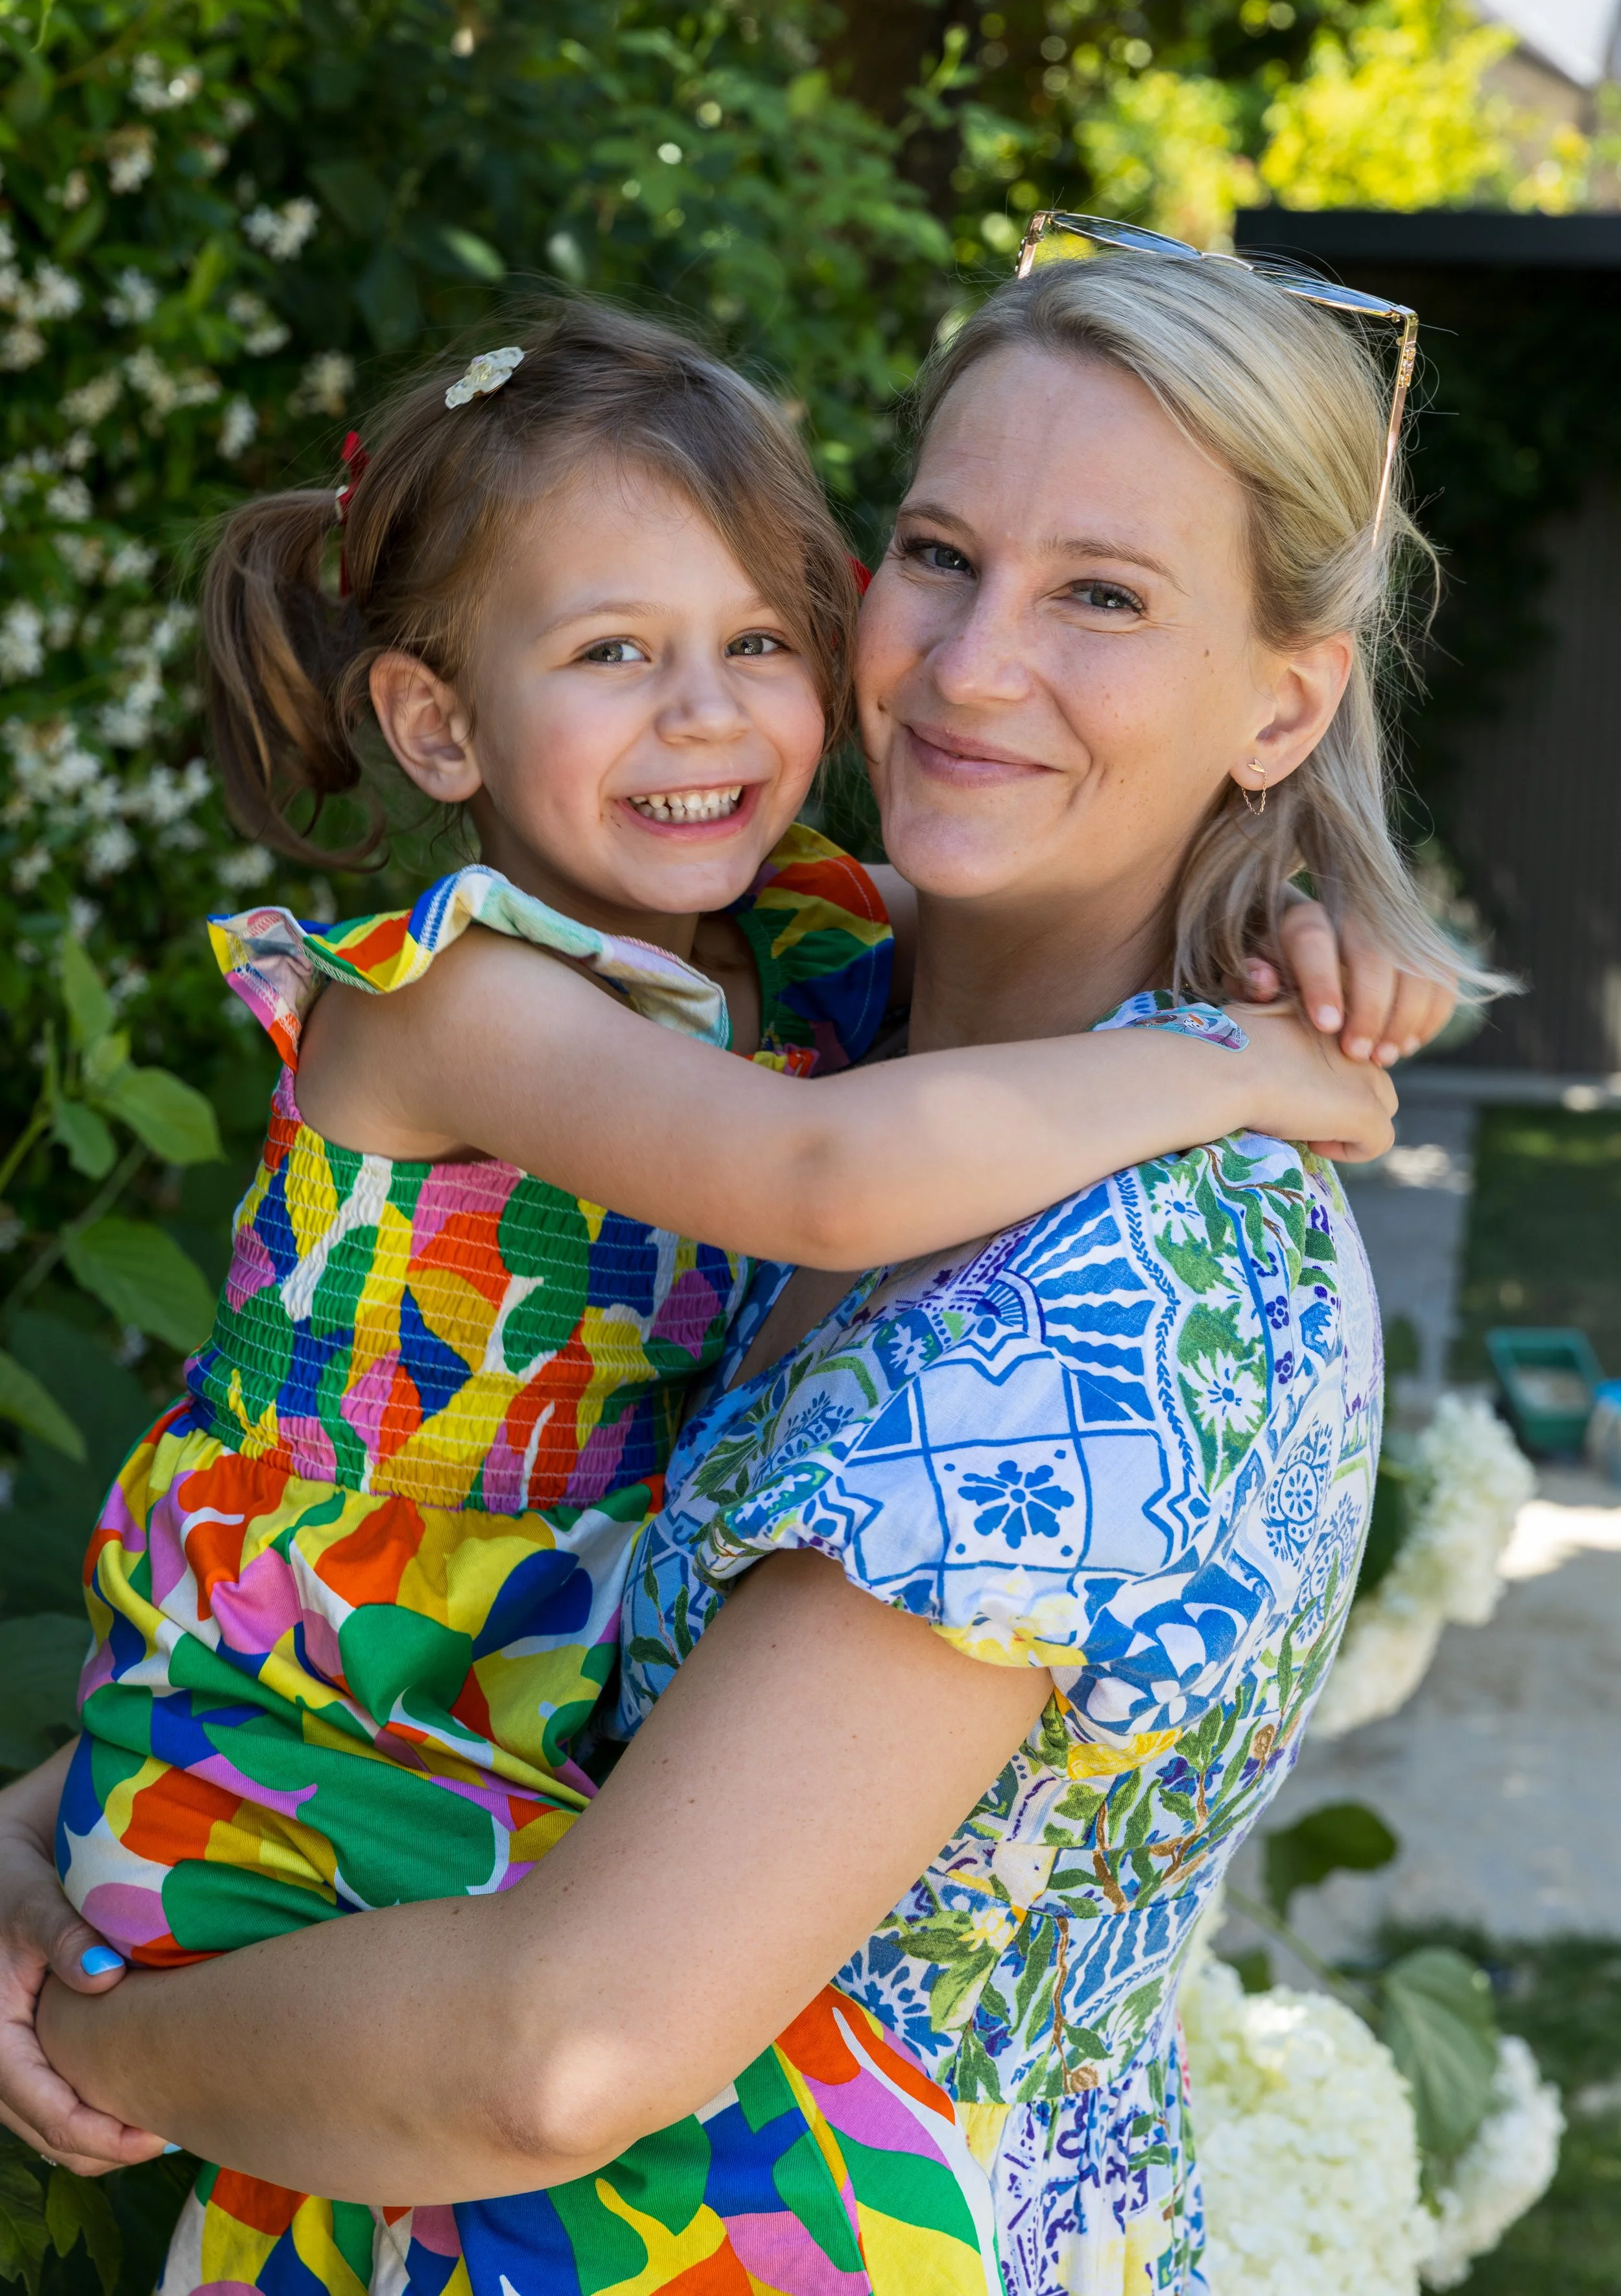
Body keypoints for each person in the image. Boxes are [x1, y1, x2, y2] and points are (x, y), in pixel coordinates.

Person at [5, 254, 1471, 2296]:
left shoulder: (1119, 1270)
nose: (964, 668)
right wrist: (79, 1808)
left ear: (1282, 699)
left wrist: (92, 2032)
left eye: (1104, 596)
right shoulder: (813, 1019)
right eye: (939, 554)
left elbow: (557, 2048)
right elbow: (415, 1558)